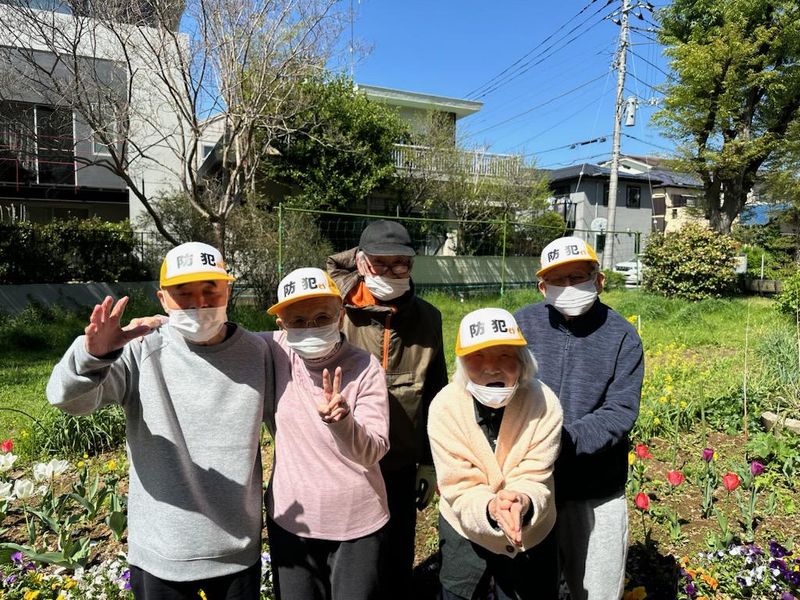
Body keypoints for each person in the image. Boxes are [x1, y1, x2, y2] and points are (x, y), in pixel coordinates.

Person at [46, 241, 274, 600]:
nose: (199, 303)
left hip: (237, 551)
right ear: (162, 298)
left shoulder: (258, 352)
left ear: (228, 291)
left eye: (210, 290)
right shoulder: (140, 349)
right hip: (162, 552)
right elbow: (68, 398)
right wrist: (92, 356)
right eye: (183, 294)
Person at [514, 236, 644, 600]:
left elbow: (620, 410)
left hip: (595, 486)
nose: (568, 286)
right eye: (558, 279)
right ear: (542, 287)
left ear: (598, 280)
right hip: (531, 482)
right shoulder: (520, 325)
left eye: (578, 277)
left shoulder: (622, 336)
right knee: (531, 587)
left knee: (597, 588)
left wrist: (561, 442)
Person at [326, 219, 448, 597]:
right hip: (345, 465)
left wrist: (430, 461)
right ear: (361, 263)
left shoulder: (428, 318)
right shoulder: (337, 312)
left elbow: (436, 393)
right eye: (380, 264)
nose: (391, 272)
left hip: (400, 464)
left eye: (400, 264)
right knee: (354, 568)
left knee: (397, 561)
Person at [261, 267, 390, 600]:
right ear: (282, 325)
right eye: (298, 321)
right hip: (292, 520)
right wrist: (164, 324)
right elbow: (222, 340)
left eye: (322, 317)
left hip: (356, 522)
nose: (311, 327)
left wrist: (344, 422)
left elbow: (374, 450)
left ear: (341, 315)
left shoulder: (365, 366)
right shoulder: (273, 351)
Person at [428, 307, 563, 600]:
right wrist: (491, 509)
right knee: (461, 591)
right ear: (461, 363)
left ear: (523, 361)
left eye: (504, 355)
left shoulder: (544, 403)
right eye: (477, 356)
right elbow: (459, 485)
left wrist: (521, 501)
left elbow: (536, 474)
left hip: (531, 533)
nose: (491, 368)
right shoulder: (445, 407)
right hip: (466, 532)